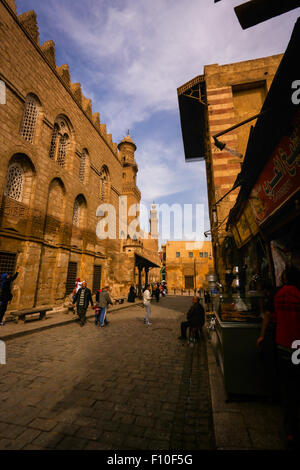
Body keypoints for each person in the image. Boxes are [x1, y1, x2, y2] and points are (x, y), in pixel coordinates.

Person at [257, 266, 300, 449]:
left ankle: (290, 430)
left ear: (283, 277)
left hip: (283, 345)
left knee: (288, 386)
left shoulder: (277, 293)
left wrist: (261, 335)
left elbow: (267, 315)